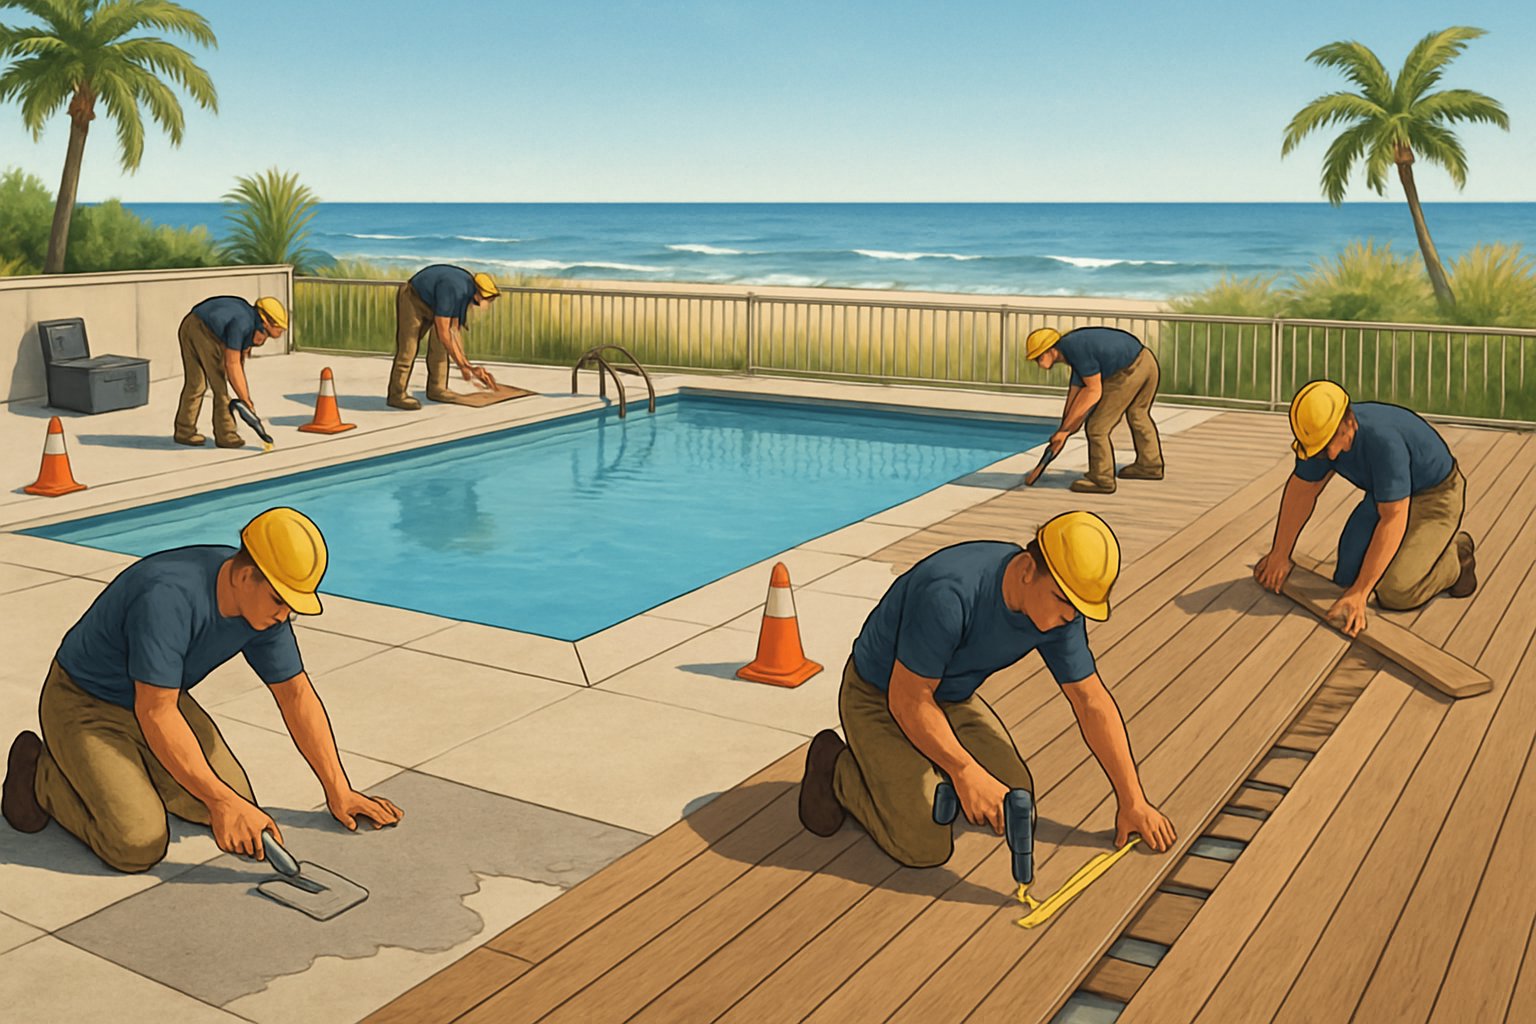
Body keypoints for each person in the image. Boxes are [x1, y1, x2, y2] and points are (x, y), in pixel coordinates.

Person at [2, 508, 402, 872]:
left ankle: (131, 774)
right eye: (280, 600)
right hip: (84, 701)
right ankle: (39, 775)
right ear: (246, 575)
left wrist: (338, 789)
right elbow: (155, 713)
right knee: (136, 842)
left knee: (238, 802)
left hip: (161, 697)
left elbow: (295, 694)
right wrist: (221, 802)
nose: (285, 614)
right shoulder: (168, 595)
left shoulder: (264, 613)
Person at [798, 511, 1176, 869]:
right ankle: (837, 769)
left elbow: (1090, 701)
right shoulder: (950, 591)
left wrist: (1133, 800)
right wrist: (965, 771)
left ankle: (928, 768)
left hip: (950, 698)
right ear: (1028, 570)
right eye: (1065, 602)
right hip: (879, 695)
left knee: (1015, 796)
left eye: (1080, 608)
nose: (1071, 617)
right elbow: (907, 699)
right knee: (923, 844)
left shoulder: (1060, 612)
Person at [1254, 380, 1477, 638]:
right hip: (1385, 495)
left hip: (1434, 496)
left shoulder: (1383, 441)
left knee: (1395, 591)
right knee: (1346, 577)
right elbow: (1302, 490)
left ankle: (1456, 558)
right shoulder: (1321, 442)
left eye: (1330, 444)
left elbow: (1393, 518)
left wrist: (1361, 592)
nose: (1331, 455)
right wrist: (1280, 553)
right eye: (1322, 450)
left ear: (1349, 421)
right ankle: (1412, 556)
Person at [1026, 326, 1164, 494]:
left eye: (1038, 358)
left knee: (1096, 428)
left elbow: (1093, 391)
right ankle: (1150, 465)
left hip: (1129, 371)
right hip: (1147, 361)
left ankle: (1102, 479)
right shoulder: (1073, 350)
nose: (1038, 363)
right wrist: (1064, 430)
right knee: (1138, 414)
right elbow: (1075, 396)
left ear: (1051, 350)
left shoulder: (1075, 350)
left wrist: (1065, 431)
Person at [175, 295, 287, 448]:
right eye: (279, 328)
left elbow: (239, 355)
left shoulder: (249, 319)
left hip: (189, 324)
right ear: (266, 322)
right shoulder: (242, 323)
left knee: (196, 384)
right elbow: (233, 364)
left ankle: (184, 430)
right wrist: (246, 400)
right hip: (204, 331)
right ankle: (226, 435)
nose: (281, 331)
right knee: (220, 387)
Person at [388, 264, 502, 410]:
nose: (487, 303)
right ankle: (396, 395)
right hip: (413, 299)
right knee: (408, 350)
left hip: (433, 303)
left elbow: (454, 331)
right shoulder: (454, 290)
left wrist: (467, 366)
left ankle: (437, 389)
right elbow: (444, 333)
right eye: (487, 299)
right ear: (478, 293)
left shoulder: (465, 294)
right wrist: (462, 365)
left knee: (440, 349)